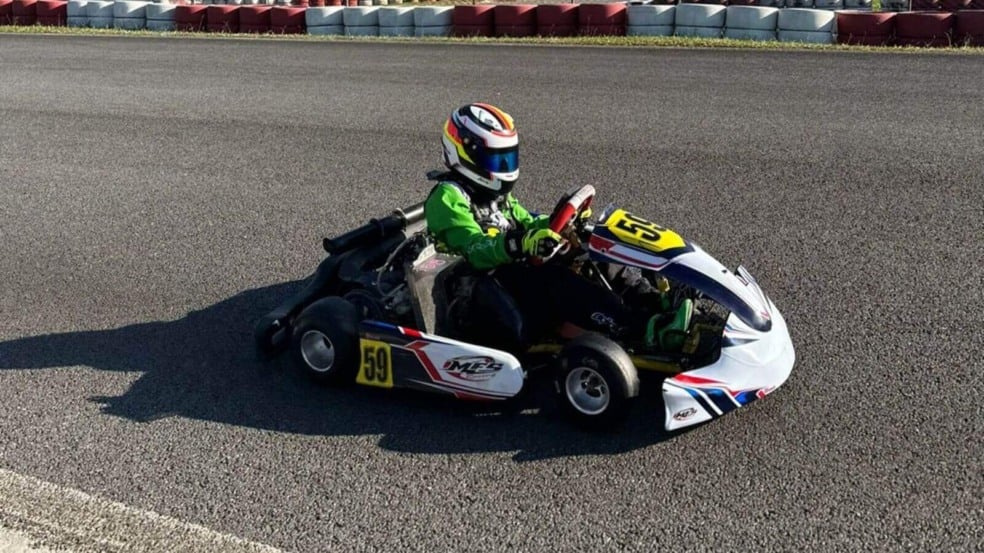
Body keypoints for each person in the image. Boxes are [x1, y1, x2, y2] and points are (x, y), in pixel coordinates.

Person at [423, 102, 685, 350]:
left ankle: (653, 304)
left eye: (507, 159)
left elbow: (525, 220)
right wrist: (521, 243)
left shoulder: (493, 195)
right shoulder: (446, 198)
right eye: (497, 160)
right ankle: (640, 331)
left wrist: (564, 224)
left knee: (588, 251)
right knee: (557, 281)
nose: (504, 168)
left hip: (511, 272)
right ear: (464, 152)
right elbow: (475, 249)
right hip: (478, 290)